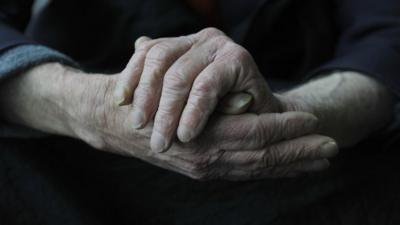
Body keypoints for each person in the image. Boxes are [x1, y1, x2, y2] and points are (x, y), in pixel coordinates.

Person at [0, 0, 399, 224]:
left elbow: (386, 36)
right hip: (77, 157)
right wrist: (88, 108)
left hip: (305, 162)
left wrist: (289, 116)